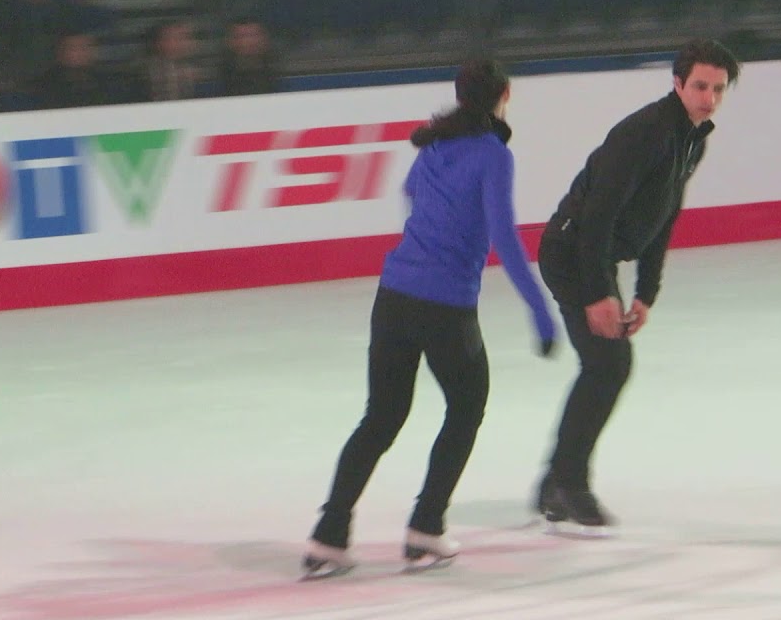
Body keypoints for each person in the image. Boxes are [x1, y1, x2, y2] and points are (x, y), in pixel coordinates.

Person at [303, 60, 557, 579]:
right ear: (504, 95)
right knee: (467, 406)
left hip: (395, 294)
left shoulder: (436, 144)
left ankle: (328, 535)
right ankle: (426, 526)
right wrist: (538, 308)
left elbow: (412, 193)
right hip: (445, 305)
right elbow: (505, 237)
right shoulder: (493, 154)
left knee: (382, 415)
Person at [533, 38, 740, 533]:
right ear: (677, 83)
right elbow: (598, 217)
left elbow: (663, 215)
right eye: (698, 86)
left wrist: (648, 291)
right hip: (572, 251)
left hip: (596, 256)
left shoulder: (692, 136)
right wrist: (599, 291)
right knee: (609, 362)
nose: (708, 97)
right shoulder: (645, 132)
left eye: (718, 88)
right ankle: (568, 481)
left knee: (606, 365)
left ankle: (558, 479)